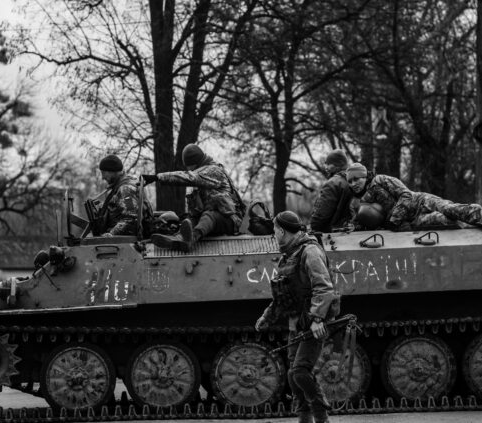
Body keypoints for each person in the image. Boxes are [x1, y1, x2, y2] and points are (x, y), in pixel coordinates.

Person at [255, 211, 339, 423]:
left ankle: (321, 416)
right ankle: (304, 418)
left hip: (312, 321)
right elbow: (283, 296)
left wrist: (318, 319)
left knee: (300, 371)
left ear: (282, 231)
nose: (274, 235)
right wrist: (267, 318)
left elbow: (324, 287)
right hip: (297, 321)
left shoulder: (309, 251)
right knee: (294, 375)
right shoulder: (289, 255)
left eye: (275, 231)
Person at [345, 162, 482, 232]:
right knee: (445, 221)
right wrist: (352, 227)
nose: (353, 183)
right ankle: (476, 225)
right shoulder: (358, 203)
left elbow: (406, 195)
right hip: (413, 221)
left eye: (356, 179)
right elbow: (362, 221)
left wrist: (394, 221)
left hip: (421, 202)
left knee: (450, 209)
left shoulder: (380, 180)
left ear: (365, 176)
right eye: (350, 181)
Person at [142, 144, 246, 252]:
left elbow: (190, 178)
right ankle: (178, 238)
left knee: (209, 215)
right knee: (191, 219)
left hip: (231, 220)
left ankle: (191, 239)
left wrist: (157, 177)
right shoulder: (202, 177)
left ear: (194, 163)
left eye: (188, 166)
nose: (188, 169)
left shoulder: (214, 171)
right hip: (212, 222)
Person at [93, 154, 150, 237]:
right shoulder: (118, 187)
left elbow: (131, 218)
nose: (102, 177)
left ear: (111, 171)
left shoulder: (126, 189)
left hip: (126, 240)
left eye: (103, 173)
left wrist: (111, 234)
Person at [310, 149, 354, 233]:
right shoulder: (355, 181)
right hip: (353, 231)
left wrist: (314, 226)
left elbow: (321, 215)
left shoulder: (332, 184)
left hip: (335, 234)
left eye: (328, 164)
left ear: (338, 165)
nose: (326, 167)